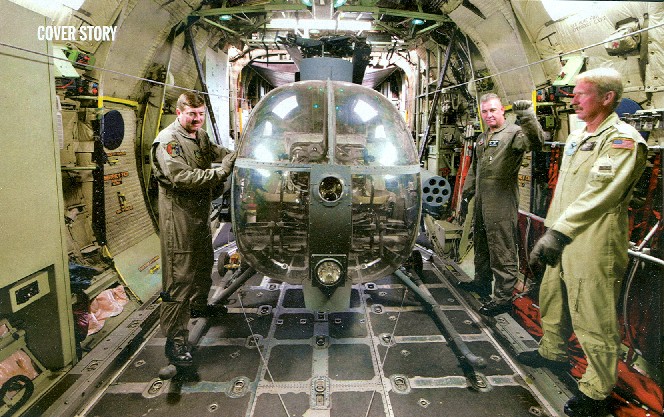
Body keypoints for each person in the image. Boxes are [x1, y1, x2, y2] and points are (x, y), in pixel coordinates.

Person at [522, 68, 647, 417]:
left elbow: (600, 194)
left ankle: (596, 391)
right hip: (560, 234)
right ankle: (552, 350)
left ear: (607, 98)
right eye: (573, 93)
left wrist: (558, 233)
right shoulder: (578, 136)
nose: (573, 99)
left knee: (593, 316)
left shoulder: (622, 139)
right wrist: (551, 230)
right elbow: (565, 191)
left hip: (593, 240)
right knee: (552, 298)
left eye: (582, 93)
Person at [151, 92, 236, 367]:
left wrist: (236, 154)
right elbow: (182, 177)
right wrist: (222, 172)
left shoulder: (198, 135)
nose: (197, 119)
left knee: (202, 261)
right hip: (179, 217)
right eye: (192, 114)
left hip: (198, 212)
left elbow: (215, 152)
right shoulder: (169, 141)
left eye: (200, 114)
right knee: (180, 277)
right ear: (179, 113)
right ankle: (175, 341)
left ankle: (200, 305)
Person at [458, 93, 544, 316]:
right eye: (485, 111)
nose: (488, 115)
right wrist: (466, 194)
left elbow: (537, 142)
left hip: (501, 198)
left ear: (502, 112)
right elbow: (475, 169)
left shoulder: (514, 134)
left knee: (501, 246)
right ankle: (482, 282)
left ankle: (503, 298)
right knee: (482, 242)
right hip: (482, 198)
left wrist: (527, 117)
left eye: (493, 110)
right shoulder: (482, 138)